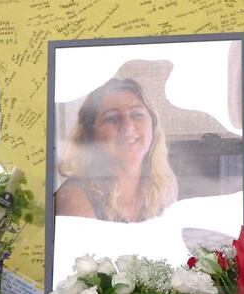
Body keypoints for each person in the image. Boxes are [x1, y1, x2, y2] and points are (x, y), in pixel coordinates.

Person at [55, 77, 178, 222]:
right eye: (112, 118)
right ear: (90, 133)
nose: (128, 128)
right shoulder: (73, 200)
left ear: (153, 124)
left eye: (137, 115)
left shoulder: (163, 187)